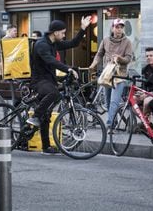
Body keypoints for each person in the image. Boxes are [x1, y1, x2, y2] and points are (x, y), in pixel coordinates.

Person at [27, 16, 92, 154]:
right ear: (55, 32)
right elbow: (51, 61)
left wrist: (83, 28)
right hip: (38, 81)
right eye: (62, 32)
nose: (64, 35)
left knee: (47, 114)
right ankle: (35, 117)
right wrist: (68, 69)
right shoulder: (42, 44)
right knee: (54, 94)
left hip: (49, 80)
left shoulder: (54, 43)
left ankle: (46, 147)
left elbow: (73, 43)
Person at [89, 18, 133, 129]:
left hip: (120, 75)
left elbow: (128, 58)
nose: (119, 29)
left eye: (121, 27)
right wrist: (93, 65)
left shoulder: (127, 42)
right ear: (112, 28)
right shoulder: (105, 40)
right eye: (117, 27)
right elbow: (99, 54)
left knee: (114, 101)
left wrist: (119, 59)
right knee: (108, 101)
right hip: (107, 75)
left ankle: (109, 124)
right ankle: (113, 122)